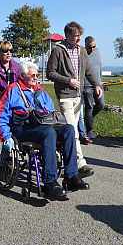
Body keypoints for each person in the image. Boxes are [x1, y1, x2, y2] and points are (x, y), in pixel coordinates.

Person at [0, 61, 89, 200]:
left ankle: (71, 177)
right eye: (32, 75)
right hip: (22, 128)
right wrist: (5, 136)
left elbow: (50, 112)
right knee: (48, 133)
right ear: (22, 75)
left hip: (43, 125)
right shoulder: (13, 90)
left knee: (68, 129)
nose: (36, 77)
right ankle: (50, 182)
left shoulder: (41, 91)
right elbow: (0, 116)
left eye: (37, 75)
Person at [46, 21, 103, 178]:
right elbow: (50, 73)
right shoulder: (58, 50)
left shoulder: (82, 51)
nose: (78, 39)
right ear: (67, 35)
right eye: (75, 36)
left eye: (80, 36)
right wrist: (68, 80)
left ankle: (58, 154)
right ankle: (79, 163)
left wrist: (96, 85)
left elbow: (89, 71)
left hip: (78, 96)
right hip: (65, 95)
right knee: (73, 130)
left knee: (72, 130)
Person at [82, 36, 105, 142]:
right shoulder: (82, 53)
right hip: (87, 85)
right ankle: (90, 130)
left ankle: (88, 118)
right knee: (89, 107)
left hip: (98, 84)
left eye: (93, 47)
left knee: (101, 105)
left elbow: (99, 68)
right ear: (85, 45)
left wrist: (100, 82)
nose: (92, 49)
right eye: (89, 47)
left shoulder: (98, 52)